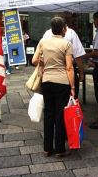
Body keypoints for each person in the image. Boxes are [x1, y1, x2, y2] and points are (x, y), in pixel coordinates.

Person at [32, 16, 75, 158]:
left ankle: (47, 148)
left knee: (49, 114)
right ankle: (60, 149)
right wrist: (73, 87)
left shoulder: (43, 42)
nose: (66, 29)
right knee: (60, 115)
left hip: (46, 82)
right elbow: (69, 68)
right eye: (65, 27)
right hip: (62, 83)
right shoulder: (66, 44)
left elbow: (34, 61)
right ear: (63, 29)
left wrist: (43, 62)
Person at [43, 24, 85, 99]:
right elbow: (77, 56)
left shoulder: (47, 34)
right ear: (64, 28)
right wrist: (81, 73)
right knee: (69, 103)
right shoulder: (70, 34)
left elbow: (36, 59)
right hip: (65, 75)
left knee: (50, 106)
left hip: (47, 75)